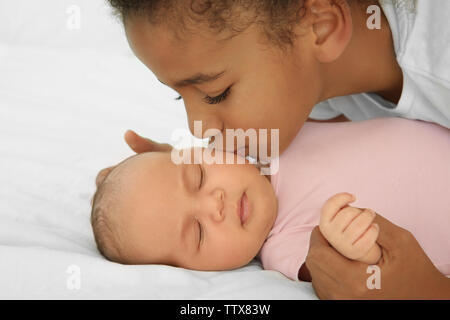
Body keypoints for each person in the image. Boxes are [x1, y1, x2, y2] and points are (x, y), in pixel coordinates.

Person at [99, 0, 450, 298]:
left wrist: (431, 291)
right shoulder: (314, 102)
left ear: (321, 26)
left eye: (216, 93)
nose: (197, 128)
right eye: (180, 94)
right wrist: (163, 179)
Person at [91, 118, 450, 299]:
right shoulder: (285, 248)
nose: (214, 204)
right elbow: (343, 273)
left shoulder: (270, 134)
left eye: (198, 176)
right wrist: (354, 245)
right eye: (198, 232)